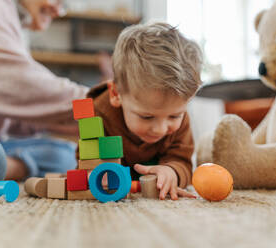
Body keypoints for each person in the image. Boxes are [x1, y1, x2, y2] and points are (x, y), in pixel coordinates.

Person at [0, 0, 112, 198]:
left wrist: (93, 120)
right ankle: (5, 166)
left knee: (66, 155)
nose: (57, 9)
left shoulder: (12, 18)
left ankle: (6, 165)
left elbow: (11, 111)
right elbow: (24, 87)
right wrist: (109, 102)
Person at [82, 22, 203, 200]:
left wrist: (172, 172)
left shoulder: (181, 118)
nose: (161, 129)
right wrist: (93, 173)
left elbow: (182, 161)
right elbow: (86, 161)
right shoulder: (97, 113)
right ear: (116, 94)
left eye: (174, 116)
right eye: (147, 117)